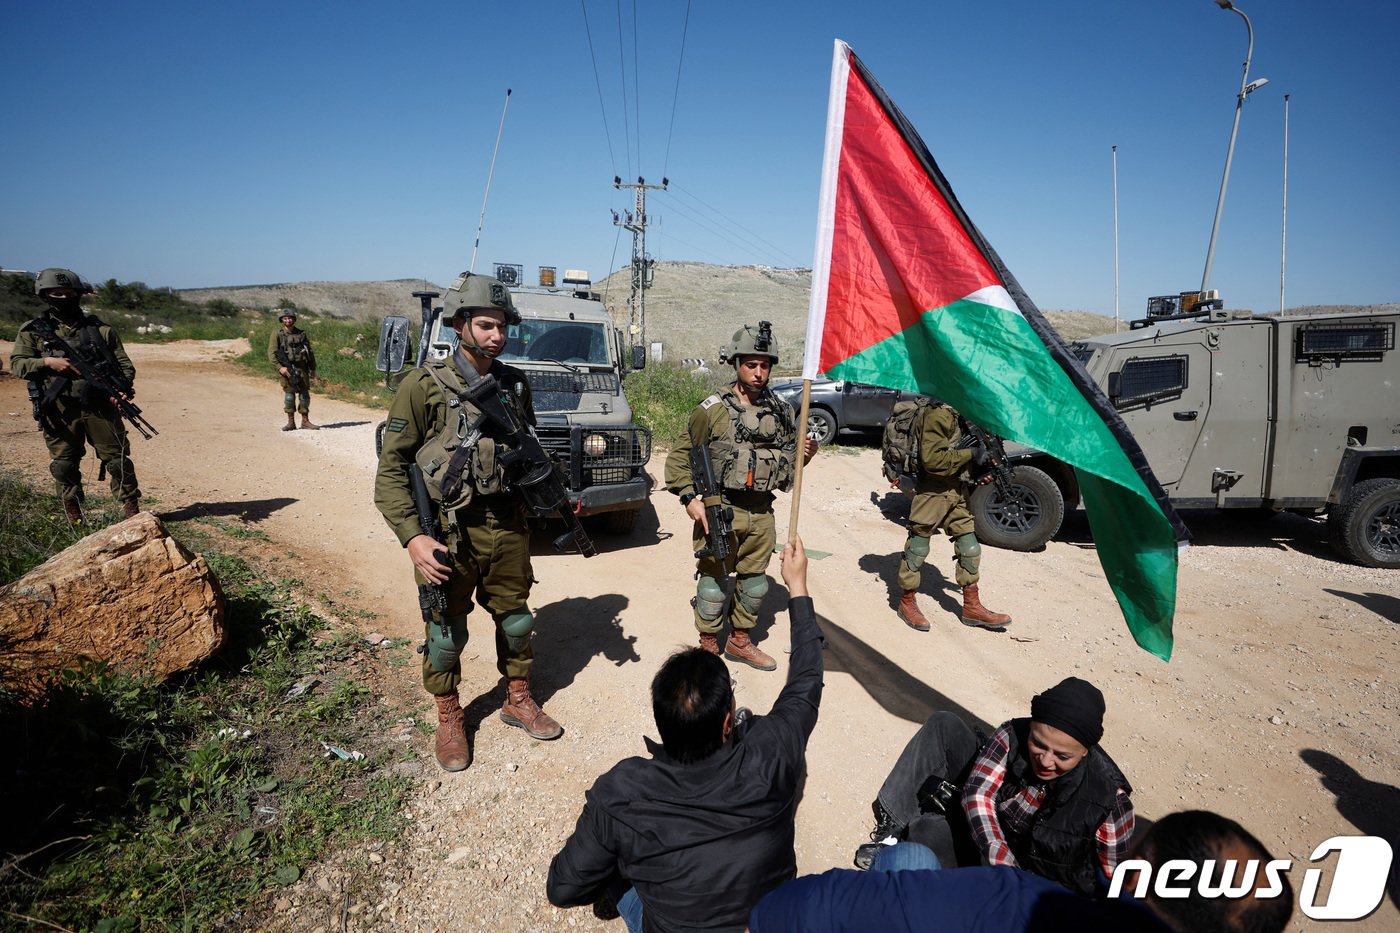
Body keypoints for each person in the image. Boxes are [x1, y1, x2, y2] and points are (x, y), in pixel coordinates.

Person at [547, 537, 822, 933]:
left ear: (662, 722)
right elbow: (807, 680)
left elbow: (564, 889)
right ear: (728, 723)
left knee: (612, 865)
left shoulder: (622, 792)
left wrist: (629, 855)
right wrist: (798, 587)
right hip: (768, 924)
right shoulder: (772, 749)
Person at [373, 272, 561, 774]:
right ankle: (449, 714)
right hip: (448, 530)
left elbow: (525, 452)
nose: (496, 335)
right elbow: (392, 469)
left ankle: (517, 698)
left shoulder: (513, 384)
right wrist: (413, 537)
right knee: (445, 632)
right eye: (484, 325)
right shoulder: (423, 385)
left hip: (507, 524)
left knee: (517, 619)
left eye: (501, 326)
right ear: (459, 325)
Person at [750, 810, 1294, 933]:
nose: (1049, 759)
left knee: (907, 862)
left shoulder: (1022, 905)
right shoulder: (1009, 744)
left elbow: (807, 906)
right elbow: (981, 798)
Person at [853, 677, 1133, 898]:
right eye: (1038, 744)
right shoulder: (1012, 735)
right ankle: (891, 833)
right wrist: (1001, 862)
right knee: (926, 827)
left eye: (1062, 756)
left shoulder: (1109, 801)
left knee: (927, 834)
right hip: (994, 848)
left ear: (1085, 751)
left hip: (1035, 889)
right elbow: (978, 794)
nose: (1045, 761)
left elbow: (1110, 878)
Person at [663, 321, 817, 672]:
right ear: (736, 364)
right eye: (751, 364)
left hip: (762, 511)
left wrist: (805, 453)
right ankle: (707, 645)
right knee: (714, 584)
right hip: (721, 508)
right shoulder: (711, 410)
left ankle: (740, 639)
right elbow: (680, 456)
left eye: (765, 365)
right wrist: (690, 499)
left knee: (756, 583)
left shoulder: (782, 411)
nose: (759, 373)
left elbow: (789, 461)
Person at [9, 267, 142, 524]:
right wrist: (46, 363)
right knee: (64, 464)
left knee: (117, 460)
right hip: (58, 408)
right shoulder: (33, 331)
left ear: (78, 294)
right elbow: (18, 364)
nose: (63, 298)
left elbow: (124, 366)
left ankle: (131, 511)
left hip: (100, 407)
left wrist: (122, 391)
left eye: (68, 293)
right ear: (45, 296)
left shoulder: (100, 330)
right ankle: (74, 516)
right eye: (56, 294)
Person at [894, 399, 1011, 631]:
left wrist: (980, 469)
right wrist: (971, 454)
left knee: (970, 547)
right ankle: (906, 602)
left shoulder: (962, 411)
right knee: (917, 548)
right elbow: (933, 461)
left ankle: (972, 606)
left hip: (957, 489)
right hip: (933, 492)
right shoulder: (938, 414)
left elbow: (960, 448)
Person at [268, 309, 318, 430]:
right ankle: (291, 423)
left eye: (290, 318)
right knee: (289, 396)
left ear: (294, 319)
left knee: (305, 396)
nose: (288, 320)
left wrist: (312, 368)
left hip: (302, 368)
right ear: (282, 320)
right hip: (287, 368)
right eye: (285, 318)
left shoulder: (301, 333)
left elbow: (309, 352)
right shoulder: (277, 334)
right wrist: (280, 368)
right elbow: (272, 353)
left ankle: (305, 421)